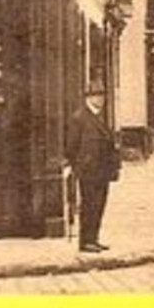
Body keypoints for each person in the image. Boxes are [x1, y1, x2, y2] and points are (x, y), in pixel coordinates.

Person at [64, 86, 120, 253]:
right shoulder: (79, 118)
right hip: (89, 172)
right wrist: (79, 165)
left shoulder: (98, 117)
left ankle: (93, 239)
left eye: (102, 96)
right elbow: (71, 146)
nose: (100, 99)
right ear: (88, 98)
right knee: (89, 206)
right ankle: (86, 241)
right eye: (96, 96)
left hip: (101, 171)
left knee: (99, 205)